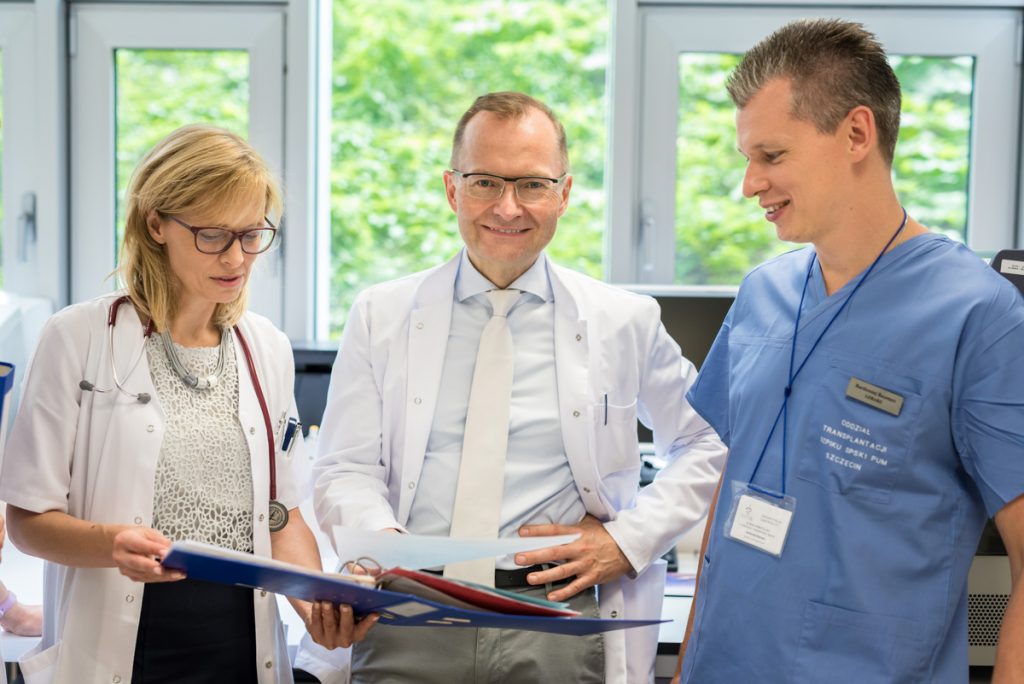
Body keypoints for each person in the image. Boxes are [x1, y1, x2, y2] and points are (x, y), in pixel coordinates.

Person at [312, 91, 727, 684]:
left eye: (532, 184)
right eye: (485, 182)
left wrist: (627, 540)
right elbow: (344, 466)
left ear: (564, 193)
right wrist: (381, 543)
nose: (508, 207)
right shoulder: (382, 314)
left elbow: (707, 440)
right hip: (409, 605)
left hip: (553, 612)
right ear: (452, 189)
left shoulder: (623, 320)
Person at [673, 18, 1024, 683]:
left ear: (857, 134)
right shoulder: (762, 294)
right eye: (747, 158)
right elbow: (731, 491)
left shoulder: (978, 315)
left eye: (771, 155)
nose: (749, 184)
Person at [0, 124, 376, 684]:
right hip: (123, 645)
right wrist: (112, 544)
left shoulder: (266, 347)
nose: (237, 257)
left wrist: (314, 605)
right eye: (213, 235)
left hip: (242, 645)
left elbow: (282, 514)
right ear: (156, 224)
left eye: (253, 234)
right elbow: (28, 522)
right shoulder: (78, 337)